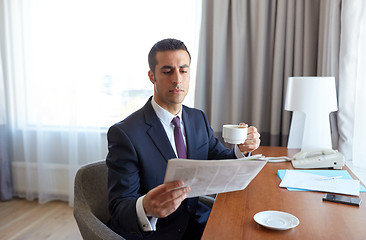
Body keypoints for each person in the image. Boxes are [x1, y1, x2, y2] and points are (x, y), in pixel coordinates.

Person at [106, 38, 260, 240]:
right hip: (157, 233)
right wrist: (146, 206)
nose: (177, 79)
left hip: (198, 222)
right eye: (168, 71)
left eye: (183, 70)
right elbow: (118, 209)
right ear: (152, 76)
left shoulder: (197, 118)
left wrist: (241, 149)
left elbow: (219, 160)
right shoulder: (125, 133)